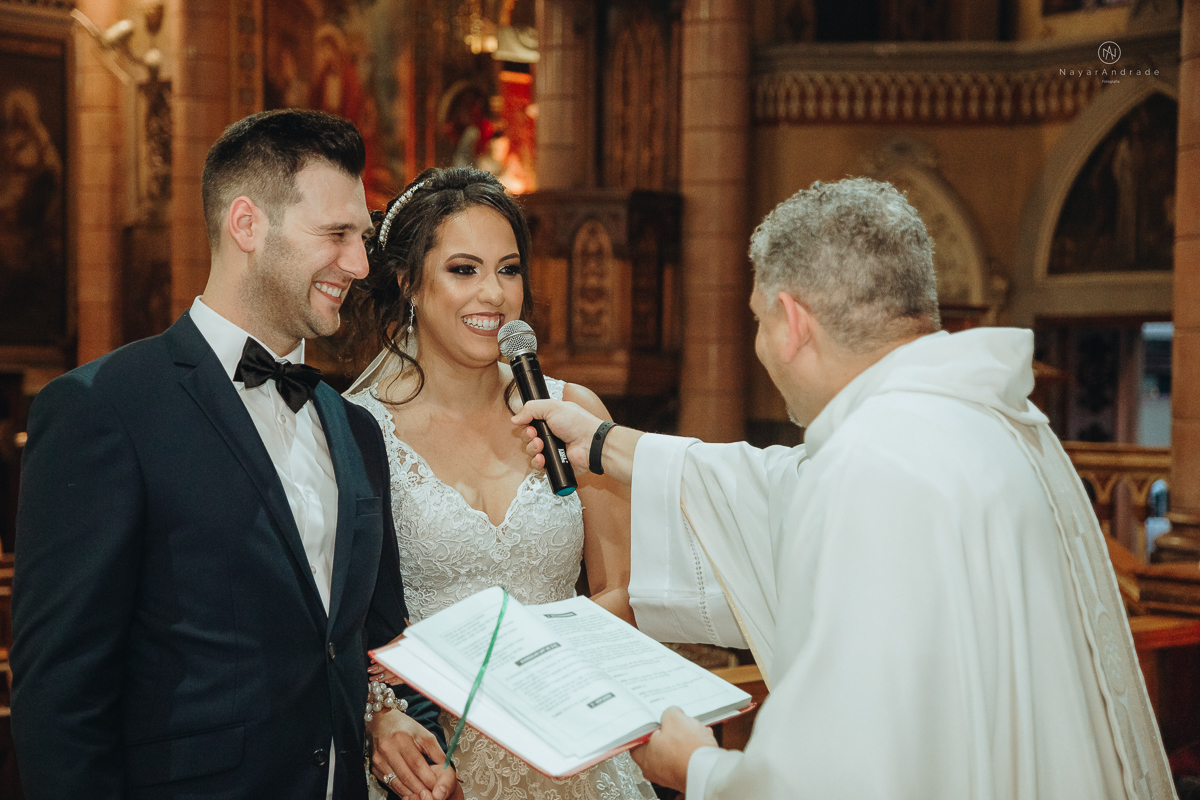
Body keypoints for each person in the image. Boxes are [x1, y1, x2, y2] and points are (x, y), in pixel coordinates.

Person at [514, 178, 1175, 799]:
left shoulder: (872, 466)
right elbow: (776, 488)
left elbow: (841, 773)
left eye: (757, 321)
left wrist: (700, 768)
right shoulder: (987, 421)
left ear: (792, 321)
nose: (761, 347)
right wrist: (602, 444)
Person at [11, 109, 457, 800]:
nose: (360, 263)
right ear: (246, 225)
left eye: (362, 238)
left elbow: (375, 642)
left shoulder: (356, 431)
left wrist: (391, 718)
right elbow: (61, 696)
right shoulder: (105, 409)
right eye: (336, 235)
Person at [343, 166, 655, 800]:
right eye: (464, 270)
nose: (494, 294)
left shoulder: (573, 410)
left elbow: (623, 586)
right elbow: (335, 621)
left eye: (509, 270)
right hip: (441, 761)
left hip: (572, 746)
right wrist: (377, 712)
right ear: (408, 281)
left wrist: (536, 665)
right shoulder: (356, 431)